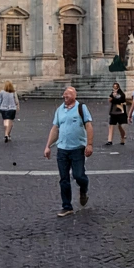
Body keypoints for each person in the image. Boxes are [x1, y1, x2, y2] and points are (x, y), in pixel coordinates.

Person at [44, 87, 93, 217]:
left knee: (79, 175)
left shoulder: (81, 108)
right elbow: (55, 128)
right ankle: (67, 206)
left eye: (68, 95)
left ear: (74, 96)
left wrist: (89, 144)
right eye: (64, 95)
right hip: (62, 149)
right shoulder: (60, 110)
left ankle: (83, 188)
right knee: (64, 179)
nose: (65, 97)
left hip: (78, 149)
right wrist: (48, 146)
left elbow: (89, 126)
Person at [106, 82, 128, 146]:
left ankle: (122, 138)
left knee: (120, 126)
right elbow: (110, 100)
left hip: (120, 112)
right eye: (114, 87)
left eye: (116, 87)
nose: (115, 88)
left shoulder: (121, 94)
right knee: (111, 125)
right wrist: (113, 96)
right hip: (113, 112)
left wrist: (114, 98)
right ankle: (109, 140)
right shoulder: (112, 93)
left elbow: (120, 100)